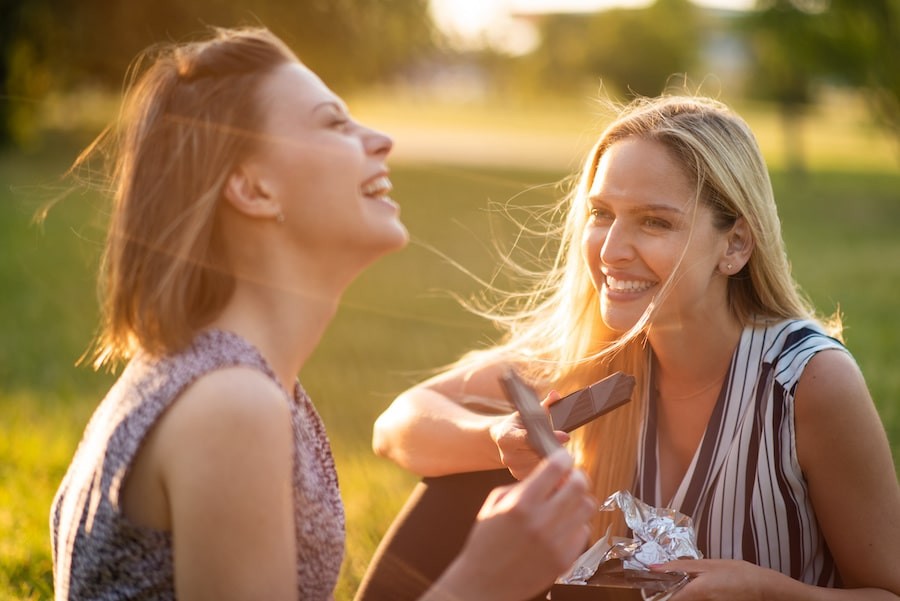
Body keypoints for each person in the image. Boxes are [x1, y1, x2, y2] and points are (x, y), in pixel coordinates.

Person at [50, 26, 599, 601]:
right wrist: (481, 581)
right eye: (334, 123)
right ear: (254, 189)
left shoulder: (215, 377)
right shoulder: (231, 405)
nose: (381, 139)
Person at [372, 95, 900, 599]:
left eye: (654, 222)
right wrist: (494, 438)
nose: (612, 250)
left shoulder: (805, 381)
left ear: (735, 245)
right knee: (460, 488)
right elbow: (398, 424)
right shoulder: (593, 354)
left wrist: (764, 591)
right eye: (601, 214)